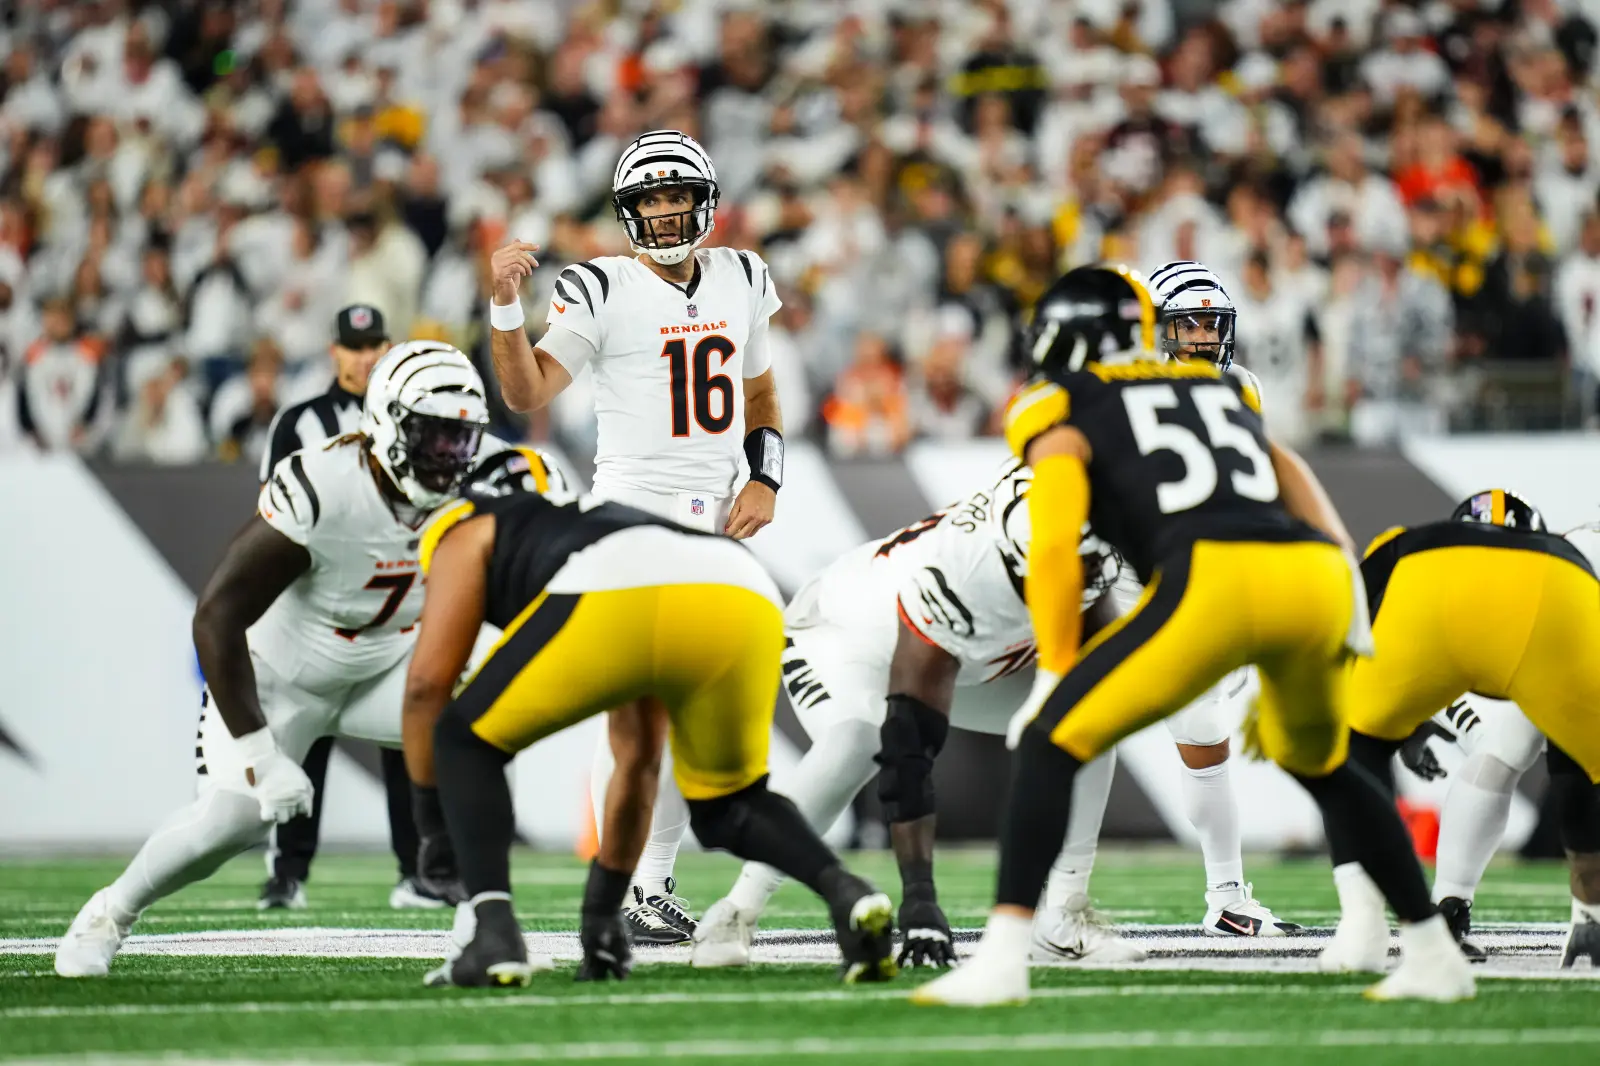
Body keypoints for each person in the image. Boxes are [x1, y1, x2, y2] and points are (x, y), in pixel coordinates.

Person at [912, 264, 1473, 1007]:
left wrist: (1054, 668)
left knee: (1053, 740)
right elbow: (1290, 472)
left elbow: (1052, 547)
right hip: (1309, 574)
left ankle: (1007, 956)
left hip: (1210, 580)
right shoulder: (1218, 387)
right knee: (1328, 765)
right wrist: (1349, 595)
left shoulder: (1057, 403)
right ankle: (1433, 949)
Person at [54, 343, 542, 977]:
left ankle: (479, 919)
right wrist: (259, 754)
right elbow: (216, 616)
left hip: (386, 667)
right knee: (233, 820)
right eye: (435, 434)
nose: (451, 454)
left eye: (462, 437)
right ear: (390, 423)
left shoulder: (482, 482)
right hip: (283, 678)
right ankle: (109, 912)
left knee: (482, 732)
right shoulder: (323, 486)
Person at [398, 450, 896, 987]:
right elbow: (637, 760)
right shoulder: (601, 520)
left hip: (622, 588)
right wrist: (601, 914)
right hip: (739, 583)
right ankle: (847, 892)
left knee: (462, 738)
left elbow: (427, 687)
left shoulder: (467, 522)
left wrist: (433, 837)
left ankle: (493, 934)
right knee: (731, 804)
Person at [483, 129, 786, 943]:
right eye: (647, 200)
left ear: (703, 200)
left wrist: (767, 476)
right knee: (642, 712)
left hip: (716, 520)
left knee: (691, 709)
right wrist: (505, 308)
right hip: (631, 514)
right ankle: (624, 885)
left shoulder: (744, 276)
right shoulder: (600, 287)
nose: (662, 212)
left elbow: (760, 396)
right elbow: (527, 391)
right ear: (626, 212)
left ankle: (648, 886)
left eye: (673, 195)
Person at [694, 460, 1141, 969]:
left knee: (1093, 712)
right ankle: (735, 911)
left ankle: (1062, 916)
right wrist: (920, 900)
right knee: (858, 742)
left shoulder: (1078, 539)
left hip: (964, 651)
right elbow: (908, 746)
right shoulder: (962, 582)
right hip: (845, 637)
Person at [1334, 490, 1600, 971]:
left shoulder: (1416, 549)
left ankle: (1418, 911)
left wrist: (1399, 723)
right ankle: (1581, 911)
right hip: (1551, 626)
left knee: (1495, 754)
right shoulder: (1567, 557)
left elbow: (1352, 619)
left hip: (1464, 627)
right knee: (1521, 752)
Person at [251, 304, 451, 912]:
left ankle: (416, 869)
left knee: (406, 734)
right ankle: (287, 871)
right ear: (334, 351)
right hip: (320, 601)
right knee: (306, 736)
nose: (365, 357)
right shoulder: (298, 421)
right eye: (354, 346)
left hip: (393, 603)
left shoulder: (415, 411)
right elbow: (271, 511)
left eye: (375, 346)